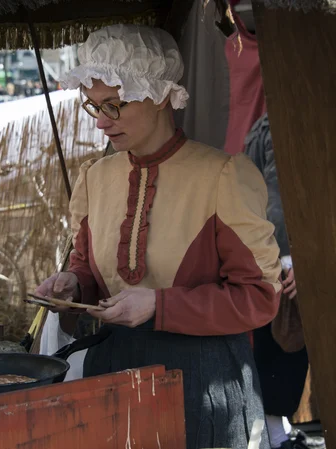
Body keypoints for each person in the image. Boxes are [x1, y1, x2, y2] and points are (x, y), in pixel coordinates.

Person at [35, 24, 282, 449]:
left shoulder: (222, 177)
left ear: (162, 94)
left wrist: (159, 305)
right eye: (93, 107)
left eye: (114, 105)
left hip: (202, 387)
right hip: (110, 379)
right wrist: (73, 285)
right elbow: (87, 268)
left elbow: (259, 297)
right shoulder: (96, 178)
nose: (102, 123)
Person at [245, 113, 325, 449]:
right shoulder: (280, 125)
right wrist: (290, 259)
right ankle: (275, 437)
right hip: (282, 260)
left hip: (280, 255)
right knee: (282, 344)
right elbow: (275, 197)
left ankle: (277, 435)